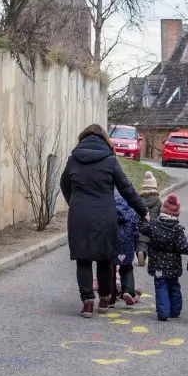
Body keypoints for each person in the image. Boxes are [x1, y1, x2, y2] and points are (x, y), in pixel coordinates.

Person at [60, 124, 147, 318]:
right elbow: (126, 188)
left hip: (79, 216)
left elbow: (64, 184)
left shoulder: (73, 160)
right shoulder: (109, 161)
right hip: (106, 216)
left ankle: (87, 302)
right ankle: (105, 299)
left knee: (82, 259)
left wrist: (74, 203)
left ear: (82, 139)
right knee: (105, 258)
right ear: (104, 140)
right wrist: (143, 211)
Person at [143, 193, 188, 321]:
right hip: (173, 265)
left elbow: (143, 228)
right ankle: (175, 310)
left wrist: (144, 218)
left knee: (161, 287)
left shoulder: (154, 226)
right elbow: (183, 247)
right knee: (174, 286)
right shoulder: (178, 229)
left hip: (157, 264)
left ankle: (163, 312)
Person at [113, 194, 142, 307]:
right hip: (127, 245)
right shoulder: (131, 213)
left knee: (111, 267)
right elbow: (135, 230)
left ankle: (111, 293)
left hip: (113, 244)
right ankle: (128, 292)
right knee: (127, 268)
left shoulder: (110, 213)